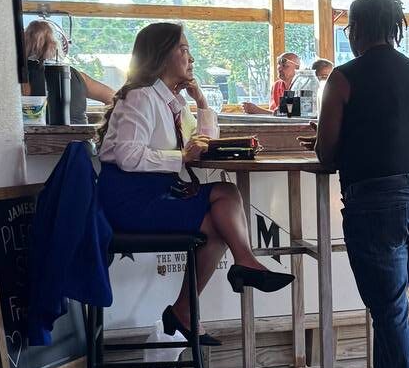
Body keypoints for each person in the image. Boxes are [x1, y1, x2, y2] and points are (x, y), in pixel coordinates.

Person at [97, 22, 291, 344]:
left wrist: (200, 101)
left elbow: (205, 146)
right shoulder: (141, 98)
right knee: (221, 216)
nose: (191, 58)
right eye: (183, 50)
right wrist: (180, 158)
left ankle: (201, 296)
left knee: (225, 203)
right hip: (130, 199)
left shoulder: (172, 102)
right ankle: (233, 272)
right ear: (161, 56)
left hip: (158, 192)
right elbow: (128, 156)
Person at [313, 0, 409, 368]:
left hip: (377, 205)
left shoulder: (343, 79)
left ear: (357, 31)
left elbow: (327, 155)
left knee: (389, 312)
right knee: (393, 305)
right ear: (395, 28)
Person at [21, 19, 114, 125]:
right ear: (57, 45)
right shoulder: (78, 76)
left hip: (37, 138)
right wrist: (106, 129)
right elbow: (114, 98)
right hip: (80, 138)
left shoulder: (22, 78)